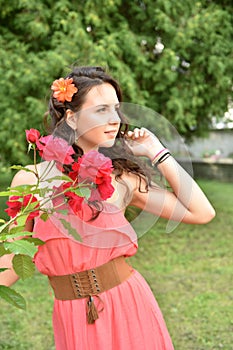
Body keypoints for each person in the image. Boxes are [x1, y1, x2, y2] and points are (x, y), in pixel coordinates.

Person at [0, 66, 215, 349]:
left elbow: (201, 212)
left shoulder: (120, 178)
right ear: (72, 118)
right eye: (102, 110)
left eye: (116, 109)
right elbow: (14, 258)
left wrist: (156, 150)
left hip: (128, 306)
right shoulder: (31, 180)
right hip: (70, 315)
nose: (115, 119)